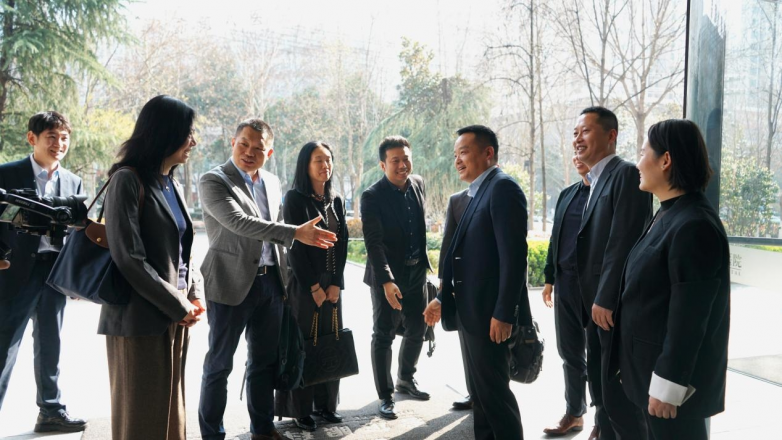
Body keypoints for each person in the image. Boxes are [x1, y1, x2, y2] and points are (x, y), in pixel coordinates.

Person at [198, 119, 337, 440]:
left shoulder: (272, 182)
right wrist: (295, 233)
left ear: (269, 152)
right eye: (243, 144)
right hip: (229, 283)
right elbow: (239, 222)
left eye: (258, 148)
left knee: (263, 363)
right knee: (219, 364)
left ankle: (262, 430)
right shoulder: (214, 180)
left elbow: (276, 232)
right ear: (233, 142)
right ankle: (212, 435)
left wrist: (289, 280)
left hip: (271, 285)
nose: (249, 152)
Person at [610, 119, 729, 440]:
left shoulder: (694, 224)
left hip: (670, 391)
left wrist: (668, 385)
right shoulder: (670, 212)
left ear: (666, 160)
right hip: (648, 376)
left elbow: (689, 318)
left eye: (642, 153)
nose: (637, 163)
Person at [101, 95, 204, 440]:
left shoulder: (172, 183)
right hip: (139, 319)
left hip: (176, 315)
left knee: (172, 412)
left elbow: (185, 251)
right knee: (142, 417)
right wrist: (177, 303)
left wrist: (194, 295)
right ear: (165, 132)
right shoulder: (127, 180)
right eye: (188, 133)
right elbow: (128, 257)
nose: (193, 141)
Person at [424, 124, 529, 439]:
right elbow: (460, 256)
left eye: (464, 152)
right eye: (455, 154)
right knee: (481, 396)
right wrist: (442, 298)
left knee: (495, 397)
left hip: (490, 315)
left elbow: (514, 258)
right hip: (471, 313)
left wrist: (504, 313)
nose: (457, 160)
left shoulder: (502, 188)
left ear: (488, 153)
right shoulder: (477, 191)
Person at [0, 111, 87, 432]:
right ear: (31, 138)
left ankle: (51, 412)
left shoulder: (73, 182)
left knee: (51, 345)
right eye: (52, 137)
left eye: (64, 138)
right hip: (13, 271)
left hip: (54, 274)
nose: (59, 144)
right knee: (4, 346)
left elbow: (78, 232)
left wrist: (76, 276)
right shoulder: (6, 175)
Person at [573, 106, 652, 440]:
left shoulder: (624, 174)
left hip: (612, 307)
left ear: (611, 135)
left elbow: (623, 240)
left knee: (619, 398)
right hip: (594, 307)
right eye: (575, 133)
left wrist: (606, 296)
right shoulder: (595, 180)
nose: (577, 139)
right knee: (601, 390)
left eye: (585, 131)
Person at [274, 142, 348, 431]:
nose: (325, 165)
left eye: (328, 159)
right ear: (305, 165)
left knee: (330, 341)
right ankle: (300, 410)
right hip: (304, 283)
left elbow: (342, 245)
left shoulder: (336, 199)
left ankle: (326, 406)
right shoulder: (294, 198)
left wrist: (337, 283)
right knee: (303, 344)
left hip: (332, 284)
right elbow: (294, 248)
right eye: (318, 160)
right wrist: (314, 287)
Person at [361, 135, 432, 420]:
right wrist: (387, 281)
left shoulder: (418, 184)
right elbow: (373, 243)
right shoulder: (372, 196)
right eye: (395, 161)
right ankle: (385, 395)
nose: (402, 165)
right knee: (383, 334)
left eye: (406, 159)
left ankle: (406, 378)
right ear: (383, 165)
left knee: (418, 328)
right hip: (387, 277)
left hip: (417, 272)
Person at [541, 155, 592, 436]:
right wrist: (549, 278)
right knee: (570, 353)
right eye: (576, 151)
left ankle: (605, 419)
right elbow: (555, 238)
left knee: (599, 356)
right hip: (565, 283)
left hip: (595, 287)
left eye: (585, 150)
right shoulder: (567, 194)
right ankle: (575, 413)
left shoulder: (607, 192)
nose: (578, 157)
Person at [437, 189, 473, 411]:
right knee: (467, 343)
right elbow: (448, 242)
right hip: (463, 285)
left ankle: (492, 395)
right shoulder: (457, 200)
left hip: (492, 288)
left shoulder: (501, 191)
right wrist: (443, 281)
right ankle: (474, 392)